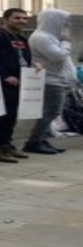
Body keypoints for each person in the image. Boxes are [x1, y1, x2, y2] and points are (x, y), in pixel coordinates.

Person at [0, 8, 35, 162]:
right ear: (5, 19)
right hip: (2, 83)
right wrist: (4, 76)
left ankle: (7, 144)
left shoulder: (19, 38)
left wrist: (34, 65)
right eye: (17, 18)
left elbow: (23, 58)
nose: (22, 21)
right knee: (3, 116)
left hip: (20, 82)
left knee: (11, 116)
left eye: (24, 18)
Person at [25, 8, 73, 155]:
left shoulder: (52, 37)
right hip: (50, 80)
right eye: (63, 22)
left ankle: (41, 138)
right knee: (51, 111)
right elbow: (58, 56)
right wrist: (66, 44)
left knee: (51, 111)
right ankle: (35, 141)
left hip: (57, 79)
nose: (65, 26)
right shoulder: (41, 37)